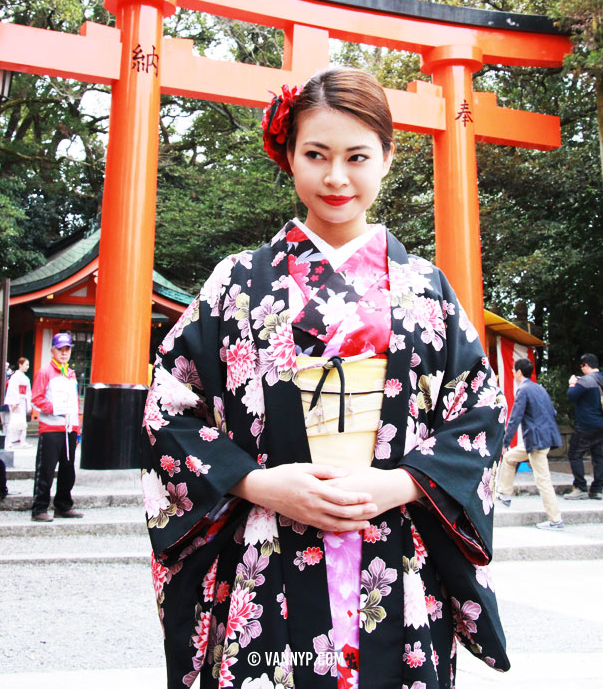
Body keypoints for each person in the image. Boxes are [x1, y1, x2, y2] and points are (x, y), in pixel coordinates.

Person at [141, 69, 510, 689]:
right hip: (268, 540)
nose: (336, 177)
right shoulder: (236, 282)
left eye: (357, 156)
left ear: (387, 159)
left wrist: (404, 485)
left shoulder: (426, 287)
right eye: (316, 155)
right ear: (289, 157)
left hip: (393, 542)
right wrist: (257, 482)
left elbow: (479, 412)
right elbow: (168, 408)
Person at [496, 358, 564, 530]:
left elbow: (515, 418)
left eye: (513, 370)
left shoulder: (523, 390)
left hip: (536, 440)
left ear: (519, 372)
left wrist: (505, 442)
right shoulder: (539, 388)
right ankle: (504, 493)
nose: (512, 372)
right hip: (542, 437)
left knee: (543, 480)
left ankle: (555, 520)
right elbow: (553, 411)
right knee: (510, 458)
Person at [31, 332, 83, 522]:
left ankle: (63, 505)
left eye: (67, 349)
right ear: (52, 350)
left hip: (69, 428)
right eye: (60, 349)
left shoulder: (70, 373)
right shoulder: (45, 372)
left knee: (68, 469)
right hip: (51, 428)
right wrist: (54, 408)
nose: (63, 353)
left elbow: (75, 402)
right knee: (45, 469)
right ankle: (39, 507)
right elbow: (36, 399)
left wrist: (77, 428)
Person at [564, 353, 603, 501]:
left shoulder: (585, 381)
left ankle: (580, 487)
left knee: (574, 453)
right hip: (601, 424)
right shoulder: (601, 378)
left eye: (582, 367)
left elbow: (571, 396)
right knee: (599, 457)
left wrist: (572, 384)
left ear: (586, 365)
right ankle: (597, 489)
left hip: (586, 425)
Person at [4, 357, 32, 449]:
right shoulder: (15, 377)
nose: (27, 367)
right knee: (12, 422)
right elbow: (13, 389)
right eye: (26, 364)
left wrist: (28, 404)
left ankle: (22, 441)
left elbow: (28, 392)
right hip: (17, 401)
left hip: (23, 400)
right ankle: (8, 441)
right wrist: (15, 402)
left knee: (23, 422)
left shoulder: (25, 378)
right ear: (20, 365)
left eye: (28, 365)